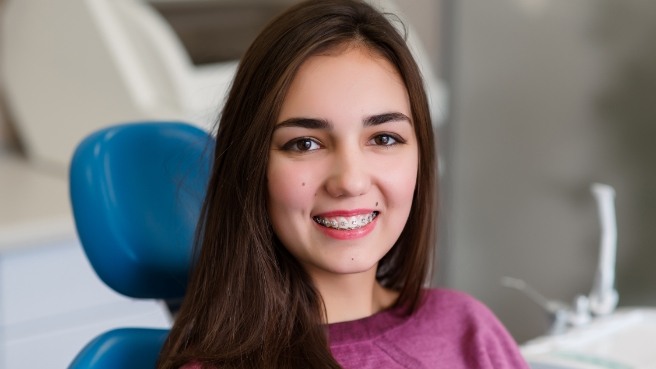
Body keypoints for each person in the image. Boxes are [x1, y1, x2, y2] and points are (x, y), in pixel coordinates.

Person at [157, 1, 530, 368]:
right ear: (252, 168)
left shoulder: (467, 328)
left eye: (383, 138)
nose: (350, 181)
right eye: (305, 143)